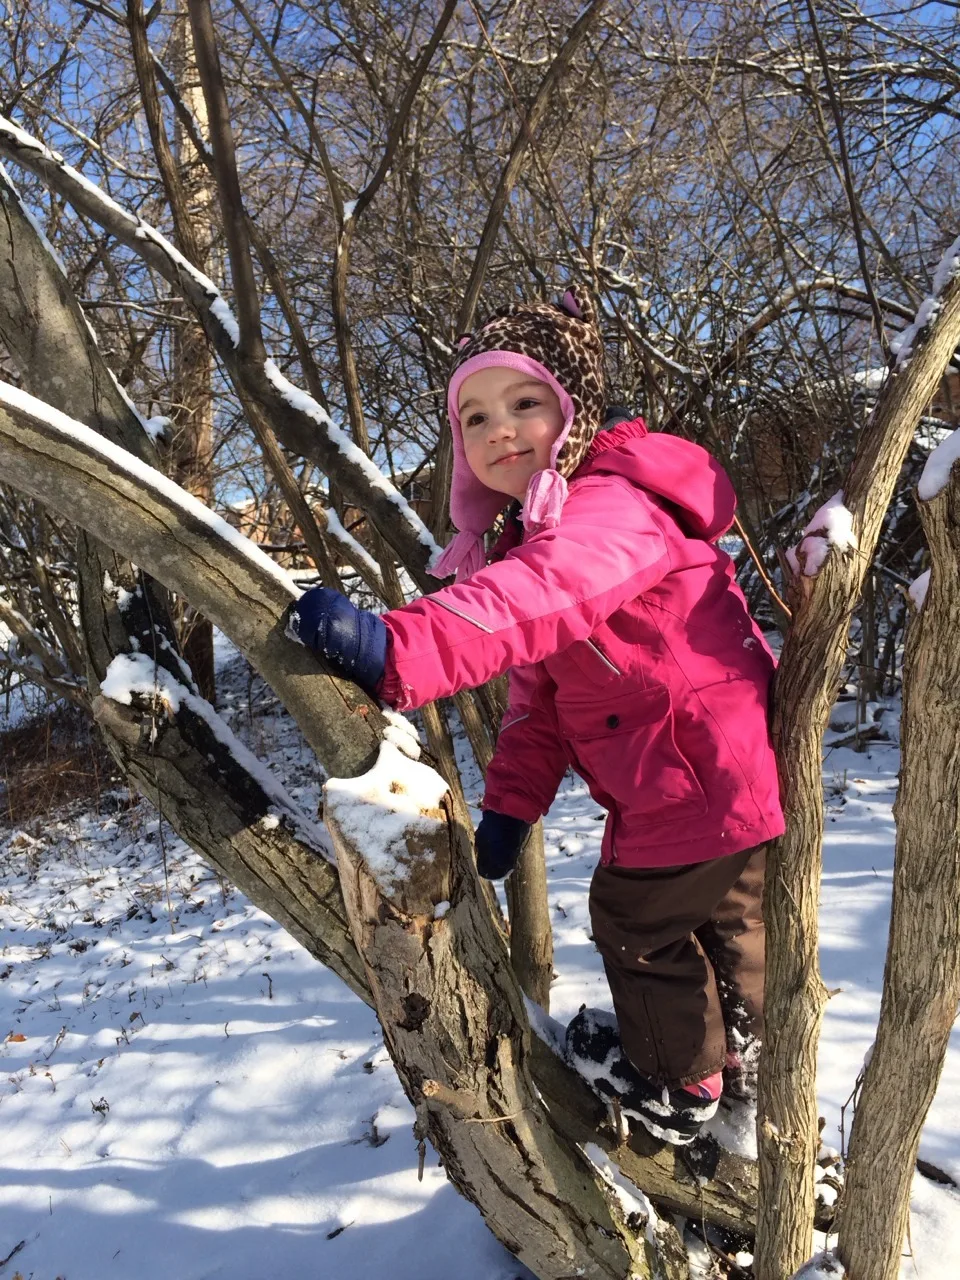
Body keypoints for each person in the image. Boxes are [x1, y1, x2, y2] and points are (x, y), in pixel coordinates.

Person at [288, 287, 785, 1145]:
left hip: (694, 770)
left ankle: (679, 1085)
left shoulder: (610, 507)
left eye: (525, 403)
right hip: (707, 771)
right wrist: (513, 804)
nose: (499, 431)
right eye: (474, 418)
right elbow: (542, 696)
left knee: (635, 919)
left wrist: (396, 648)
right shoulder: (548, 525)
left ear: (576, 412)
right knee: (722, 920)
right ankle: (749, 1067)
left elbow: (536, 599)